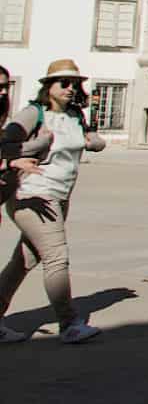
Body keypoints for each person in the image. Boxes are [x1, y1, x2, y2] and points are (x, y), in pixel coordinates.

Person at [0, 59, 106, 344]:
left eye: (75, 84)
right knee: (57, 257)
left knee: (24, 260)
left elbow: (87, 141)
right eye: (64, 83)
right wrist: (35, 146)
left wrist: (93, 141)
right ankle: (69, 323)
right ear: (49, 86)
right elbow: (7, 144)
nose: (71, 89)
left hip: (60, 196)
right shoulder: (33, 114)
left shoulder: (75, 116)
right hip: (32, 195)